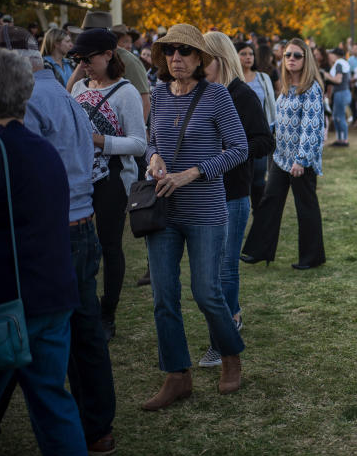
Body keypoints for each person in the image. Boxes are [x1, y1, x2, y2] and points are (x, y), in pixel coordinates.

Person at [0, 48, 99, 456]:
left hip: (7, 306)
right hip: (52, 297)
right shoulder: (45, 152)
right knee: (55, 405)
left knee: (52, 406)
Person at [142, 24, 248, 410]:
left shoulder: (217, 96)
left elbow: (239, 149)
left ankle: (231, 355)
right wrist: (153, 156)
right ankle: (177, 376)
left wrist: (193, 172)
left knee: (207, 292)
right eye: (170, 52)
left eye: (184, 52)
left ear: (200, 59)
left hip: (205, 210)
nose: (176, 59)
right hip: (163, 210)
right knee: (163, 296)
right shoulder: (158, 93)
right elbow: (153, 139)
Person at [197, 31, 273, 367]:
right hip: (199, 192)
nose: (198, 65)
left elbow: (264, 141)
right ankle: (231, 320)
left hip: (232, 193)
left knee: (225, 270)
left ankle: (222, 339)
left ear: (220, 59)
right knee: (206, 272)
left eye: (204, 58)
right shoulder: (198, 93)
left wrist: (233, 151)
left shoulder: (242, 95)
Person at [68, 29, 147, 340]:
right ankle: (83, 307)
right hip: (80, 177)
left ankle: (108, 312)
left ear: (108, 55)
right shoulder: (77, 89)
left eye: (88, 58)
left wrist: (99, 140)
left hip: (113, 178)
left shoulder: (126, 92)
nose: (84, 64)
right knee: (78, 246)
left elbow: (139, 144)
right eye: (78, 59)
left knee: (110, 245)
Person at [241, 38, 327, 270]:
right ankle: (258, 251)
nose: (291, 59)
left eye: (297, 55)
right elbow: (279, 121)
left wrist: (301, 160)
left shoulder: (312, 89)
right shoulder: (286, 88)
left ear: (306, 59)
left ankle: (312, 257)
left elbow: (312, 127)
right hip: (280, 157)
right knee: (269, 202)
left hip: (301, 161)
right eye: (288, 54)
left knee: (305, 207)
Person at [235, 41, 276, 209]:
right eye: (243, 54)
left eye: (251, 54)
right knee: (241, 180)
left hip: (259, 133)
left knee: (259, 178)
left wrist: (272, 127)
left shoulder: (263, 78)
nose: (248, 57)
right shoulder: (233, 79)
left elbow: (271, 104)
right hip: (238, 134)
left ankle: (259, 215)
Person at [325, 47, 352, 146]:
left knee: (340, 117)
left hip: (341, 92)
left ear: (334, 55)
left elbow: (338, 80)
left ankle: (344, 140)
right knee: (337, 117)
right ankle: (340, 139)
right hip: (344, 92)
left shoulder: (339, 63)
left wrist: (327, 75)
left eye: (331, 54)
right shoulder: (343, 62)